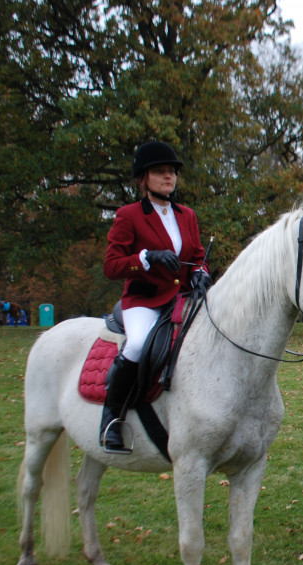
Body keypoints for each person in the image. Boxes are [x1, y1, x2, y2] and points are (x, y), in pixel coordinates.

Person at [100, 141, 212, 454]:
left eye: (172, 172)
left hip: (182, 299)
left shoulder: (186, 215)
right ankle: (112, 417)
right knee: (136, 345)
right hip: (145, 300)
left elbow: (198, 256)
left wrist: (201, 273)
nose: (169, 177)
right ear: (143, 179)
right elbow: (111, 266)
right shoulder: (129, 215)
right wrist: (146, 257)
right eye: (160, 172)